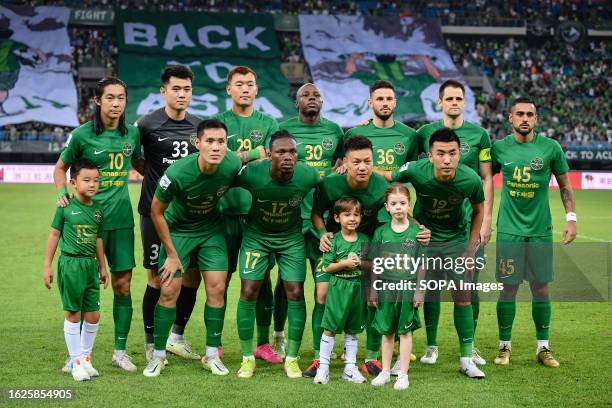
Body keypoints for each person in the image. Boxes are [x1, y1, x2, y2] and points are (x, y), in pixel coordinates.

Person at [312, 135, 430, 377]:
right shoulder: (331, 183)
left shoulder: (380, 186)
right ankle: (318, 357)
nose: (363, 167)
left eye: (367, 161)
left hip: (371, 245)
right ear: (344, 161)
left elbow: (398, 209)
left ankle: (371, 358)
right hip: (338, 245)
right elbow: (316, 212)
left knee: (374, 298)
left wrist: (419, 228)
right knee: (322, 294)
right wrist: (323, 232)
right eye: (356, 162)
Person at [382, 127, 486, 378]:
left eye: (452, 153)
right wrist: (351, 168)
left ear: (460, 154)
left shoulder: (470, 179)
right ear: (430, 156)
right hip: (423, 240)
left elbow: (479, 211)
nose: (447, 159)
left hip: (455, 241)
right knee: (413, 297)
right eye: (440, 153)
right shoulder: (417, 170)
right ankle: (402, 357)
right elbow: (388, 175)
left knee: (462, 295)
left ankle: (465, 358)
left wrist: (471, 249)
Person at [54, 77, 142, 372]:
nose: (116, 103)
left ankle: (119, 351)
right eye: (110, 98)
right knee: (81, 292)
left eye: (121, 98)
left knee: (123, 285)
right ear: (98, 101)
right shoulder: (81, 135)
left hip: (119, 221)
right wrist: (62, 193)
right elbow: (60, 168)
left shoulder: (133, 134)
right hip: (86, 224)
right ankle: (77, 355)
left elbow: (141, 164)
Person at [143, 119, 241, 377]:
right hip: (178, 232)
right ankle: (159, 355)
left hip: (212, 231)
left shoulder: (232, 164)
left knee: (217, 288)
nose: (216, 147)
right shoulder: (177, 173)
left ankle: (211, 355)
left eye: (221, 141)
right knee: (168, 290)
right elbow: (156, 212)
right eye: (209, 141)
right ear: (197, 144)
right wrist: (173, 255)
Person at [491, 97, 576, 368]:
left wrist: (571, 218)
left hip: (540, 230)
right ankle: (504, 347)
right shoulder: (499, 148)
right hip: (508, 230)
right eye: (520, 114)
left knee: (541, 287)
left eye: (530, 114)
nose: (525, 118)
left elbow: (565, 184)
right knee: (508, 288)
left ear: (536, 119)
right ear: (510, 118)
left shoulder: (550, 148)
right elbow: (481, 179)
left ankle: (543, 348)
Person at [416, 79, 493, 366]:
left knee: (469, 286)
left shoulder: (480, 135)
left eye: (459, 98)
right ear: (440, 103)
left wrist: (485, 221)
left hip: (465, 224)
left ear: (465, 102)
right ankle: (432, 345)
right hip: (430, 225)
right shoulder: (424, 133)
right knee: (432, 286)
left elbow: (486, 178)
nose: (454, 103)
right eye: (449, 98)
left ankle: (469, 347)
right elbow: (411, 170)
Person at [234, 130, 320, 379]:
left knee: (295, 291)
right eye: (281, 152)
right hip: (256, 238)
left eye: (292, 151)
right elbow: (223, 180)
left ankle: (291, 359)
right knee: (249, 290)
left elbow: (327, 194)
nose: (288, 156)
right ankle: (247, 358)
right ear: (269, 155)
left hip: (291, 240)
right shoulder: (252, 174)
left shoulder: (308, 175)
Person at [136, 64, 203, 362]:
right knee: (156, 277)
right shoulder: (147, 124)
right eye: (176, 89)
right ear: (164, 91)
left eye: (186, 89)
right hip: (154, 211)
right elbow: (134, 157)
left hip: (188, 216)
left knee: (191, 276)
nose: (181, 94)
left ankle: (177, 335)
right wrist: (152, 177)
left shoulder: (199, 127)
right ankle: (152, 343)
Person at [215, 65, 281, 364]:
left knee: (262, 279)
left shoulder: (268, 123)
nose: (245, 88)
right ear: (228, 88)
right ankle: (213, 343)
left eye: (250, 84)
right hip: (222, 213)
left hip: (257, 216)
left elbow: (272, 158)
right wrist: (251, 153)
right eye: (239, 83)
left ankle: (263, 343)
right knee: (220, 279)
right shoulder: (218, 123)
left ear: (256, 90)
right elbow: (214, 160)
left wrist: (239, 156)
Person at [278, 83, 344, 376]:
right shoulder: (283, 129)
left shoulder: (336, 132)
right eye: (306, 95)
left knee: (323, 290)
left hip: (323, 224)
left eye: (316, 95)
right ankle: (278, 338)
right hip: (290, 221)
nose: (312, 99)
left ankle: (320, 352)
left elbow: (341, 164)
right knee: (285, 285)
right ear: (296, 103)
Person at [43, 159, 108, 381]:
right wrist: (47, 266)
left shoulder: (98, 210)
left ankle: (85, 358)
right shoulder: (65, 207)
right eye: (86, 180)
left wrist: (102, 266)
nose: (92, 184)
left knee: (93, 314)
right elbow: (53, 235)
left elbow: (98, 238)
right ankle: (75, 361)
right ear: (73, 182)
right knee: (73, 314)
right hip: (71, 265)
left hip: (90, 266)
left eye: (96, 180)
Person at [369, 184, 425, 390]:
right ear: (387, 207)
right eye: (394, 204)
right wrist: (373, 288)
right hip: (385, 288)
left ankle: (403, 374)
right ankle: (385, 371)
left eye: (402, 203)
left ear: (409, 204)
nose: (398, 207)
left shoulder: (416, 232)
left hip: (407, 288)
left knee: (405, 331)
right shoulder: (381, 232)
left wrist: (419, 290)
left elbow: (422, 263)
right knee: (387, 331)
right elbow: (375, 262)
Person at [313, 197, 369, 385]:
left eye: (356, 215)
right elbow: (327, 267)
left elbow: (373, 265)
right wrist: (344, 263)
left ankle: (350, 369)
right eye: (347, 215)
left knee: (352, 330)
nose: (352, 218)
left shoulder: (365, 240)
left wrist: (362, 262)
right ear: (337, 218)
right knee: (330, 329)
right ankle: (323, 368)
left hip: (357, 288)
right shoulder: (333, 240)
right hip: (338, 287)